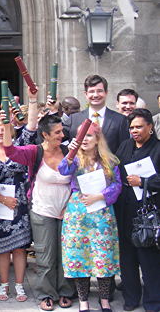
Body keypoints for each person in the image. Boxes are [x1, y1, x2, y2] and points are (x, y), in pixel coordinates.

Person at [3, 115, 74, 311]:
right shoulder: (35, 152)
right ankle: (46, 293)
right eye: (57, 132)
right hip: (42, 211)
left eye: (62, 131)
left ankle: (66, 291)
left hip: (68, 212)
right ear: (45, 134)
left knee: (66, 255)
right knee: (45, 256)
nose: (62, 135)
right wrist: (6, 124)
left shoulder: (69, 151)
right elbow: (10, 151)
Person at [59, 123, 121, 312]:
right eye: (81, 137)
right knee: (80, 256)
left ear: (97, 139)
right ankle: (83, 300)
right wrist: (70, 154)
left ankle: (104, 300)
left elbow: (118, 185)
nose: (84, 140)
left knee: (103, 256)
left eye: (88, 136)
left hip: (102, 213)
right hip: (78, 214)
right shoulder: (75, 159)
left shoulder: (109, 161)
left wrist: (101, 195)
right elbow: (63, 170)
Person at [0, 85, 38, 303]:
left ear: (11, 130)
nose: (1, 132)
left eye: (4, 128)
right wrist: (0, 198)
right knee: (2, 250)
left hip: (19, 204)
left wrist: (33, 101)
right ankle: (4, 285)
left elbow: (32, 126)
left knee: (19, 248)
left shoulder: (19, 148)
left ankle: (19, 286)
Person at [115, 109, 160, 312]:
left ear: (150, 127)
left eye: (139, 126)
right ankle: (131, 298)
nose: (134, 131)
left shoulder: (158, 149)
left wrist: (144, 182)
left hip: (148, 213)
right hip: (125, 210)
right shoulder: (125, 146)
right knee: (127, 258)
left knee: (149, 260)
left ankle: (153, 302)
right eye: (132, 127)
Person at [64, 74, 129, 154]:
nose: (95, 95)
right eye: (91, 91)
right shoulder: (73, 119)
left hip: (110, 165)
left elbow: (125, 150)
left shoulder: (120, 120)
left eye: (99, 91)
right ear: (86, 94)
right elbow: (54, 139)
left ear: (106, 92)